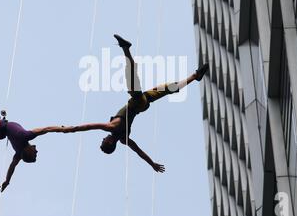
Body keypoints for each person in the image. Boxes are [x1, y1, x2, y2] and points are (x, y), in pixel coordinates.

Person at [62, 34, 209, 172]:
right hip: (138, 102)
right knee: (131, 75)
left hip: (144, 102)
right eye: (103, 141)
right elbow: (87, 126)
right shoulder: (111, 127)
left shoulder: (124, 140)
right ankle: (126, 48)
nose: (103, 138)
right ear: (109, 143)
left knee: (169, 88)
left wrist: (152, 164)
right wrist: (69, 129)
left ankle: (196, 76)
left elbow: (139, 151)